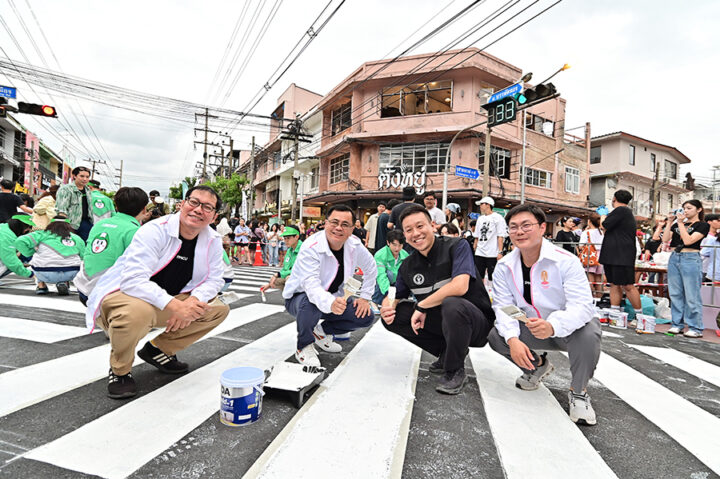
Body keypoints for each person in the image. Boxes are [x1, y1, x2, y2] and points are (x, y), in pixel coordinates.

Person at [86, 185, 230, 399]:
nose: (199, 210)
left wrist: (192, 303)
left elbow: (215, 278)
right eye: (194, 202)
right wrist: (177, 307)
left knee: (216, 309)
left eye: (207, 207)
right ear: (182, 204)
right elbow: (133, 280)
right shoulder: (155, 230)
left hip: (168, 299)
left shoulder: (212, 240)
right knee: (136, 314)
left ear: (214, 216)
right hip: (127, 294)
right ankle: (120, 371)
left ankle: (158, 350)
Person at [488, 204, 601, 425]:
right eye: (513, 227)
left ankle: (579, 392)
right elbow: (503, 306)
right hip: (530, 328)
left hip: (566, 331)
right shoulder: (504, 266)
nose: (519, 232)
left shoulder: (565, 261)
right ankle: (537, 366)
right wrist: (512, 339)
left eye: (526, 225)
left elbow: (583, 306)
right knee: (496, 335)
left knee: (589, 331)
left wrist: (553, 325)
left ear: (542, 228)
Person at [381, 204, 495, 395]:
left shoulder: (457, 246)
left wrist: (422, 305)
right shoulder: (408, 265)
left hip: (476, 324)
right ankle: (446, 351)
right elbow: (394, 295)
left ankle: (454, 370)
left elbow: (460, 286)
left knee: (452, 303)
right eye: (409, 230)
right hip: (444, 321)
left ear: (432, 225)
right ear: (404, 235)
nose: (415, 233)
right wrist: (388, 307)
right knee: (394, 316)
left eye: (420, 226)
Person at [282, 205, 377, 368]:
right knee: (309, 301)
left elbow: (371, 268)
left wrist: (365, 298)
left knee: (365, 315)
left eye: (345, 224)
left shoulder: (355, 245)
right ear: (325, 224)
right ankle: (303, 346)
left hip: (334, 297)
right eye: (334, 222)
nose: (339, 228)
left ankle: (321, 332)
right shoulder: (311, 247)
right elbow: (310, 286)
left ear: (352, 228)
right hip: (299, 298)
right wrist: (330, 303)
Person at [74, 187, 149, 304]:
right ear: (144, 209)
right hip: (107, 295)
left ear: (116, 206)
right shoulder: (136, 232)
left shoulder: (99, 225)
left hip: (84, 290)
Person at [662, 199, 709, 338]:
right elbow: (665, 239)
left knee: (691, 294)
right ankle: (677, 324)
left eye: (689, 208)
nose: (685, 211)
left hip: (691, 258)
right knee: (675, 293)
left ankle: (696, 327)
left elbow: (688, 241)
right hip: (675, 256)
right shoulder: (678, 224)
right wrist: (670, 222)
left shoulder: (702, 225)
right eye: (684, 208)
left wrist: (681, 223)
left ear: (699, 209)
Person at [599, 190, 643, 321]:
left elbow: (604, 225)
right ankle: (615, 312)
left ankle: (640, 315)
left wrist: (602, 216)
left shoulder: (621, 210)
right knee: (613, 283)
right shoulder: (622, 213)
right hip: (614, 253)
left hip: (621, 254)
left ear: (614, 199)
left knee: (628, 285)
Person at [15, 217, 85, 295]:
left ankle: (41, 286)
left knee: (39, 256)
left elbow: (19, 241)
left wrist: (30, 252)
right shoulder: (76, 238)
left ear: (50, 224)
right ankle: (64, 282)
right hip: (72, 273)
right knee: (71, 260)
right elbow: (84, 256)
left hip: (44, 273)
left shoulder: (41, 234)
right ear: (68, 226)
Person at [473, 196, 508, 289]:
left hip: (492, 252)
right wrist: (474, 248)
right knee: (478, 275)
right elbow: (476, 236)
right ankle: (480, 291)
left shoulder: (498, 218)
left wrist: (500, 252)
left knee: (493, 275)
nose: (480, 206)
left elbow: (500, 236)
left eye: (481, 204)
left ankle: (493, 292)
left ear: (488, 205)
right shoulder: (480, 219)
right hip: (480, 251)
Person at [55, 166, 94, 241]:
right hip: (70, 224)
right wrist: (64, 226)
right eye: (82, 176)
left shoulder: (88, 190)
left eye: (87, 177)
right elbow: (61, 209)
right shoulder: (65, 189)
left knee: (84, 246)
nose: (85, 179)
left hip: (86, 223)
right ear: (74, 176)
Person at [261, 224, 302, 292]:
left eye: (288, 238)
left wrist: (278, 274)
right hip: (291, 277)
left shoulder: (303, 250)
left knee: (289, 279)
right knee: (275, 280)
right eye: (285, 238)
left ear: (296, 237)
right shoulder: (290, 250)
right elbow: (285, 268)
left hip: (303, 279)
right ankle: (289, 300)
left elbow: (298, 271)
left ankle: (295, 300)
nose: (286, 241)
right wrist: (269, 284)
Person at [373, 229, 409, 305]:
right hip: (382, 283)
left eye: (400, 245)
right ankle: (375, 302)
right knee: (389, 274)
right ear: (388, 243)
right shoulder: (380, 255)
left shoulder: (405, 255)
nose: (397, 248)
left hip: (398, 283)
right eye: (394, 245)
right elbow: (381, 276)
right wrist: (389, 294)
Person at [0, 214, 35, 282]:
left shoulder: (4, 228)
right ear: (20, 225)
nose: (28, 229)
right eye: (27, 226)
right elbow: (11, 261)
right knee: (9, 264)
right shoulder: (7, 237)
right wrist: (31, 274)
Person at [579, 213, 604, 297]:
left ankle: (591, 297)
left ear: (589, 221)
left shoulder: (586, 232)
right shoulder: (602, 232)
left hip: (590, 255)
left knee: (590, 278)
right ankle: (599, 297)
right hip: (601, 255)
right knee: (599, 279)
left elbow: (581, 245)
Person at [700, 214, 720, 283]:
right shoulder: (704, 236)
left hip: (712, 270)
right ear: (709, 222)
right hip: (704, 268)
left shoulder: (717, 237)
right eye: (718, 220)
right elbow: (702, 253)